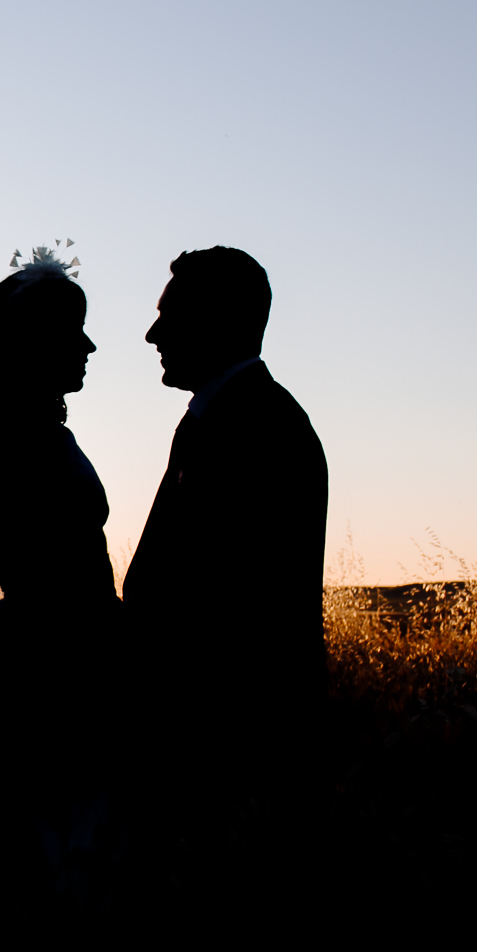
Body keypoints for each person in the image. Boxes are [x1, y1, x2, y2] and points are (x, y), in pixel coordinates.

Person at [0, 247, 124, 911]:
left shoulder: (25, 434)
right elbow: (55, 588)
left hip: (58, 656)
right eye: (74, 329)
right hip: (53, 671)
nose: (90, 344)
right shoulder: (15, 444)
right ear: (33, 344)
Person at [123, 246, 328, 859]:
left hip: (230, 745)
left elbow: (235, 607)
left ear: (219, 321)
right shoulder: (222, 418)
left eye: (171, 316)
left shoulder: (262, 427)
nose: (153, 333)